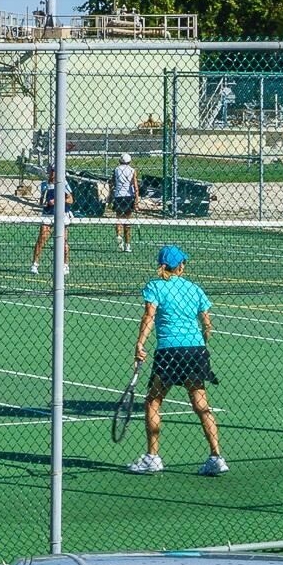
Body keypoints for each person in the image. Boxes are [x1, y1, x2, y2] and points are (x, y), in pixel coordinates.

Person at [126, 244, 224, 477]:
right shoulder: (194, 288)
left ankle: (153, 457)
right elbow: (207, 324)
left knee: (152, 402)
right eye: (183, 262)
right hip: (195, 350)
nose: (184, 265)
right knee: (201, 405)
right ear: (179, 265)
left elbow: (149, 315)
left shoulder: (155, 286)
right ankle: (216, 456)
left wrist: (140, 344)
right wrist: (200, 341)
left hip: (170, 351)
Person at [28, 163, 64, 276]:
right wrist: (47, 203)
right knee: (42, 239)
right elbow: (41, 201)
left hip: (59, 216)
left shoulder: (63, 184)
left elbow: (70, 199)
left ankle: (64, 265)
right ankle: (35, 264)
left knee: (63, 241)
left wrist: (59, 201)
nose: (53, 173)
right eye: (52, 171)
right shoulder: (45, 184)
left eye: (55, 171)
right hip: (47, 215)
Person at [108, 152, 142, 251]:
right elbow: (135, 186)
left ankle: (119, 235)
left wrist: (110, 197)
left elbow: (112, 183)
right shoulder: (132, 170)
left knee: (118, 218)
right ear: (130, 161)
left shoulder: (116, 170)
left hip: (118, 196)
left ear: (120, 161)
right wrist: (136, 200)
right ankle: (127, 245)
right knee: (127, 221)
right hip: (128, 197)